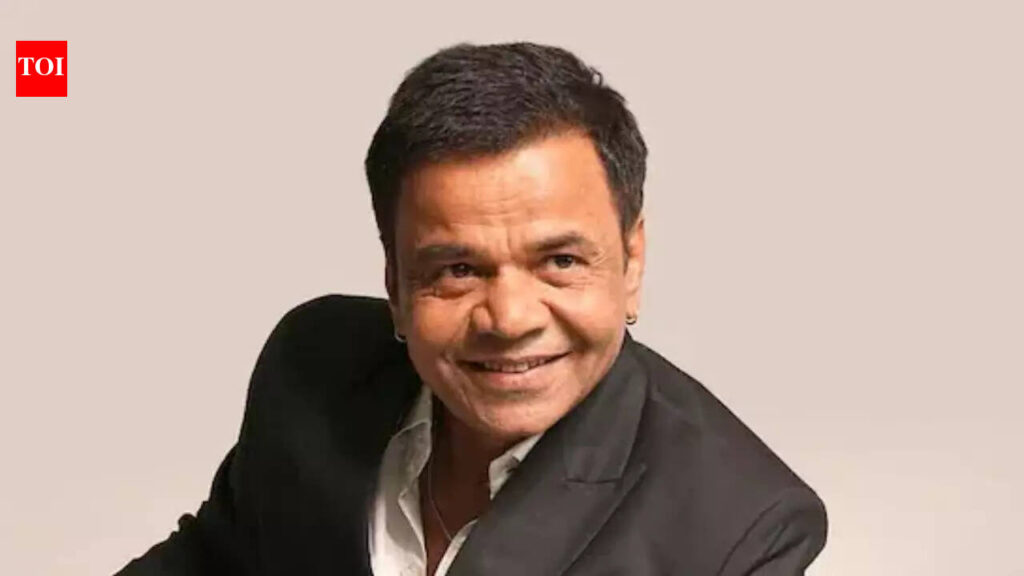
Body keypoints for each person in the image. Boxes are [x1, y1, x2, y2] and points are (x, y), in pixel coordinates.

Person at [116, 42, 827, 575]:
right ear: (396, 284)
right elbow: (214, 560)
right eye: (457, 270)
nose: (510, 318)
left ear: (631, 261)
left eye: (560, 261)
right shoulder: (313, 367)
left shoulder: (741, 529)